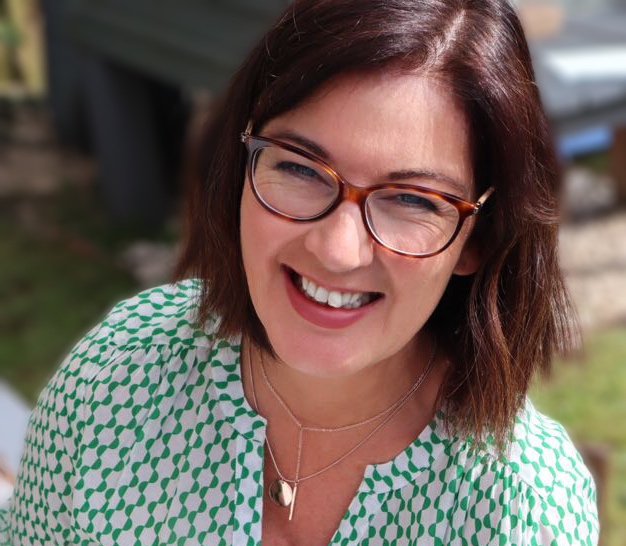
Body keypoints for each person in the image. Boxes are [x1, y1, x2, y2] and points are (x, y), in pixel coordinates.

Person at [0, 0, 599, 544]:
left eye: (413, 200)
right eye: (302, 168)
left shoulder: (523, 510)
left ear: (477, 239)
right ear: (240, 164)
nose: (338, 250)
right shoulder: (114, 377)